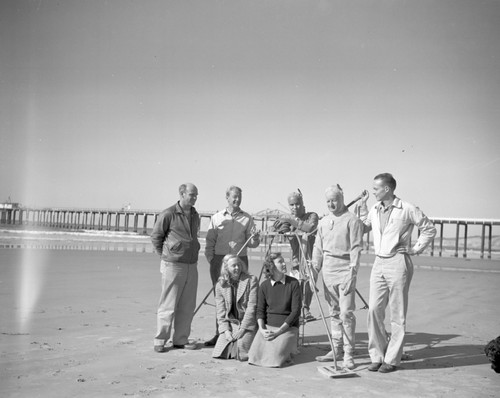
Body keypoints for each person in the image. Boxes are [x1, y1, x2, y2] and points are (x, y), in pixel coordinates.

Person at [359, 173, 436, 373]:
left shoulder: (407, 208)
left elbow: (428, 228)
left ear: (387, 189)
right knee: (374, 310)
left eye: (376, 188)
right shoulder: (374, 208)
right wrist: (362, 206)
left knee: (397, 314)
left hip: (398, 262)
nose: (373, 191)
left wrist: (415, 249)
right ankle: (377, 356)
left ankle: (392, 360)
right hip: (378, 262)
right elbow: (363, 228)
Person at [311, 185, 364, 370]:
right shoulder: (323, 221)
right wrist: (314, 272)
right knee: (333, 313)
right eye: (328, 201)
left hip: (346, 270)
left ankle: (349, 353)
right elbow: (318, 248)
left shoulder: (353, 220)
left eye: (334, 200)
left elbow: (356, 248)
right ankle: (336, 349)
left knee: (346, 313)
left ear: (342, 198)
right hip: (328, 270)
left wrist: (353, 272)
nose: (332, 204)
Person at [204, 186, 260, 346]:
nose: (237, 200)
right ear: (227, 198)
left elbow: (253, 243)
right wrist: (212, 260)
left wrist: (255, 239)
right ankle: (220, 334)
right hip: (219, 261)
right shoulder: (216, 217)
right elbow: (209, 242)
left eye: (239, 197)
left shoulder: (248, 219)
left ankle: (238, 335)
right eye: (234, 197)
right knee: (221, 298)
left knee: (240, 298)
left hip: (239, 260)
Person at [150, 183, 201, 353]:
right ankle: (160, 340)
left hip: (191, 265)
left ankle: (181, 339)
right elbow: (156, 237)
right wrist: (165, 257)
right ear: (182, 193)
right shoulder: (168, 213)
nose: (194, 198)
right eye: (192, 195)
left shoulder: (195, 215)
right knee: (168, 305)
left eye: (196, 195)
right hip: (173, 265)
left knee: (187, 305)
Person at [248, 252, 301, 367]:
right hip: (268, 327)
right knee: (253, 357)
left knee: (276, 359)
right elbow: (260, 311)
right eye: (280, 262)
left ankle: (288, 349)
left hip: (287, 327)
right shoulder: (264, 286)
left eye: (283, 261)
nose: (284, 264)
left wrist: (279, 331)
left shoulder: (294, 283)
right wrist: (262, 329)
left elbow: (296, 312)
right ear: (271, 266)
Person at [273, 191, 319, 321]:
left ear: (302, 203)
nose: (295, 207)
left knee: (309, 285)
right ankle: (296, 311)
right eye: (292, 205)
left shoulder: (312, 216)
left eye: (297, 204)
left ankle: (306, 309)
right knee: (296, 287)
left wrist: (292, 221)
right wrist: (278, 226)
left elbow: (310, 228)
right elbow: (279, 228)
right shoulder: (289, 219)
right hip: (296, 259)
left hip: (311, 258)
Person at [212, 254, 258, 361]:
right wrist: (226, 331)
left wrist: (243, 329)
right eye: (233, 266)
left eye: (239, 265)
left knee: (240, 350)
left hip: (247, 323)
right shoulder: (220, 285)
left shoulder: (251, 280)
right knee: (221, 351)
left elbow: (252, 307)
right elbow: (220, 311)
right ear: (226, 268)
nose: (237, 268)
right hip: (231, 324)